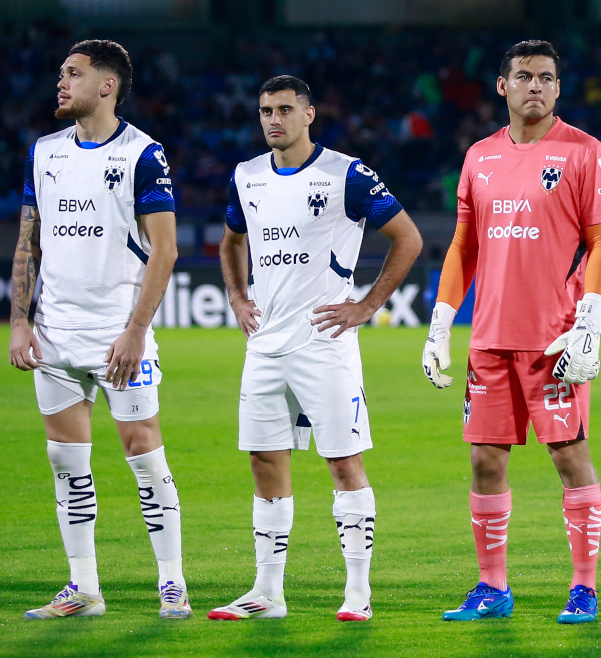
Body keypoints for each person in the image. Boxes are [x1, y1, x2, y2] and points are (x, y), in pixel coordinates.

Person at [210, 75, 422, 622]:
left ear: (309, 115)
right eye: (264, 111)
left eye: (284, 109)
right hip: (264, 344)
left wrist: (366, 305)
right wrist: (237, 297)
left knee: (342, 462)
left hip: (324, 344)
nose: (273, 119)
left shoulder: (345, 174)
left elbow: (409, 238)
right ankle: (266, 593)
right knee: (264, 461)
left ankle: (357, 592)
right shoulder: (247, 176)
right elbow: (231, 241)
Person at [423, 40, 601, 624]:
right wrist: (441, 323)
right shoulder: (478, 156)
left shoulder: (586, 152)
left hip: (554, 338)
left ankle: (584, 587)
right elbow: (464, 245)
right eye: (525, 76)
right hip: (489, 339)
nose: (536, 86)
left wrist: (590, 318)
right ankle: (492, 588)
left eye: (547, 78)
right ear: (502, 87)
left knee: (569, 456)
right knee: (486, 461)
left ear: (558, 89)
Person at [8, 40, 188, 619]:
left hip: (119, 334)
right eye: (61, 72)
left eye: (73, 74)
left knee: (144, 455)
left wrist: (137, 330)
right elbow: (27, 242)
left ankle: (172, 583)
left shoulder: (143, 154)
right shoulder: (44, 152)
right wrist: (19, 320)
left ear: (107, 85)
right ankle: (83, 587)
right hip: (55, 334)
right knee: (66, 461)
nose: (60, 83)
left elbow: (165, 251)